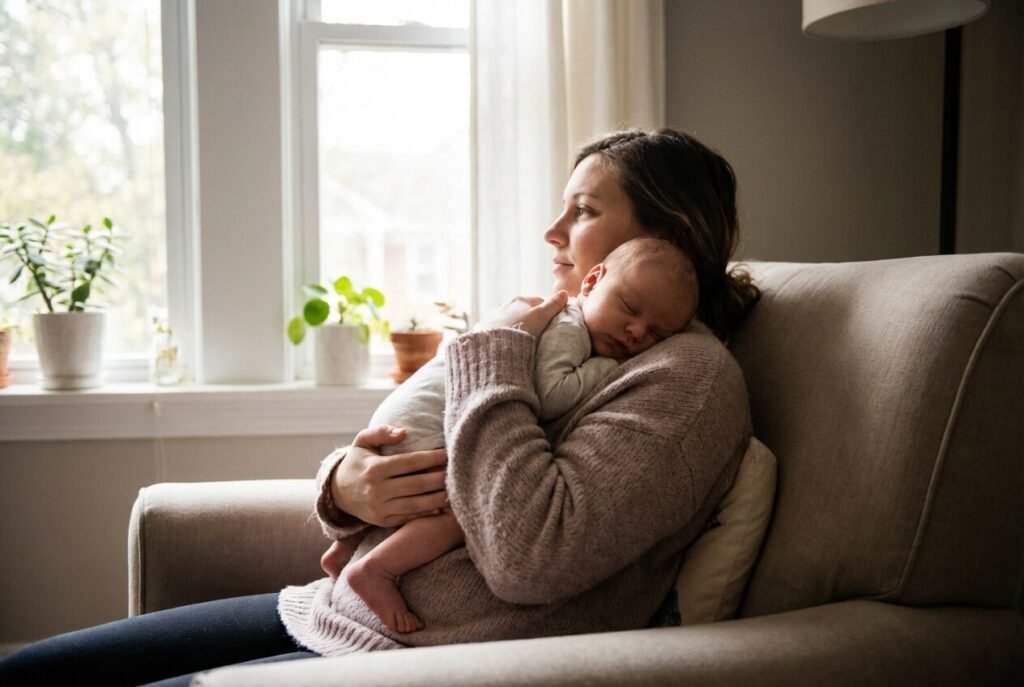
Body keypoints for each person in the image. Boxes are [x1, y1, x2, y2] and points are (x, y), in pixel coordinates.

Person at [0, 128, 760, 686]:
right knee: (32, 672)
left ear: (664, 235)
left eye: (583, 211)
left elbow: (530, 554)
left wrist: (488, 349)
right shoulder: (575, 332)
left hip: (422, 654)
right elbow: (440, 427)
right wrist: (346, 484)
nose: (552, 232)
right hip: (333, 611)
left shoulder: (690, 378)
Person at [322, 236, 699, 633]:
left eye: (657, 334)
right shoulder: (569, 327)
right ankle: (376, 569)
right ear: (592, 282)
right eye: (628, 307)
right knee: (461, 504)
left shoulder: (685, 373)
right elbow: (553, 394)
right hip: (421, 426)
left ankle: (344, 550)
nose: (636, 332)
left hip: (404, 420)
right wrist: (610, 368)